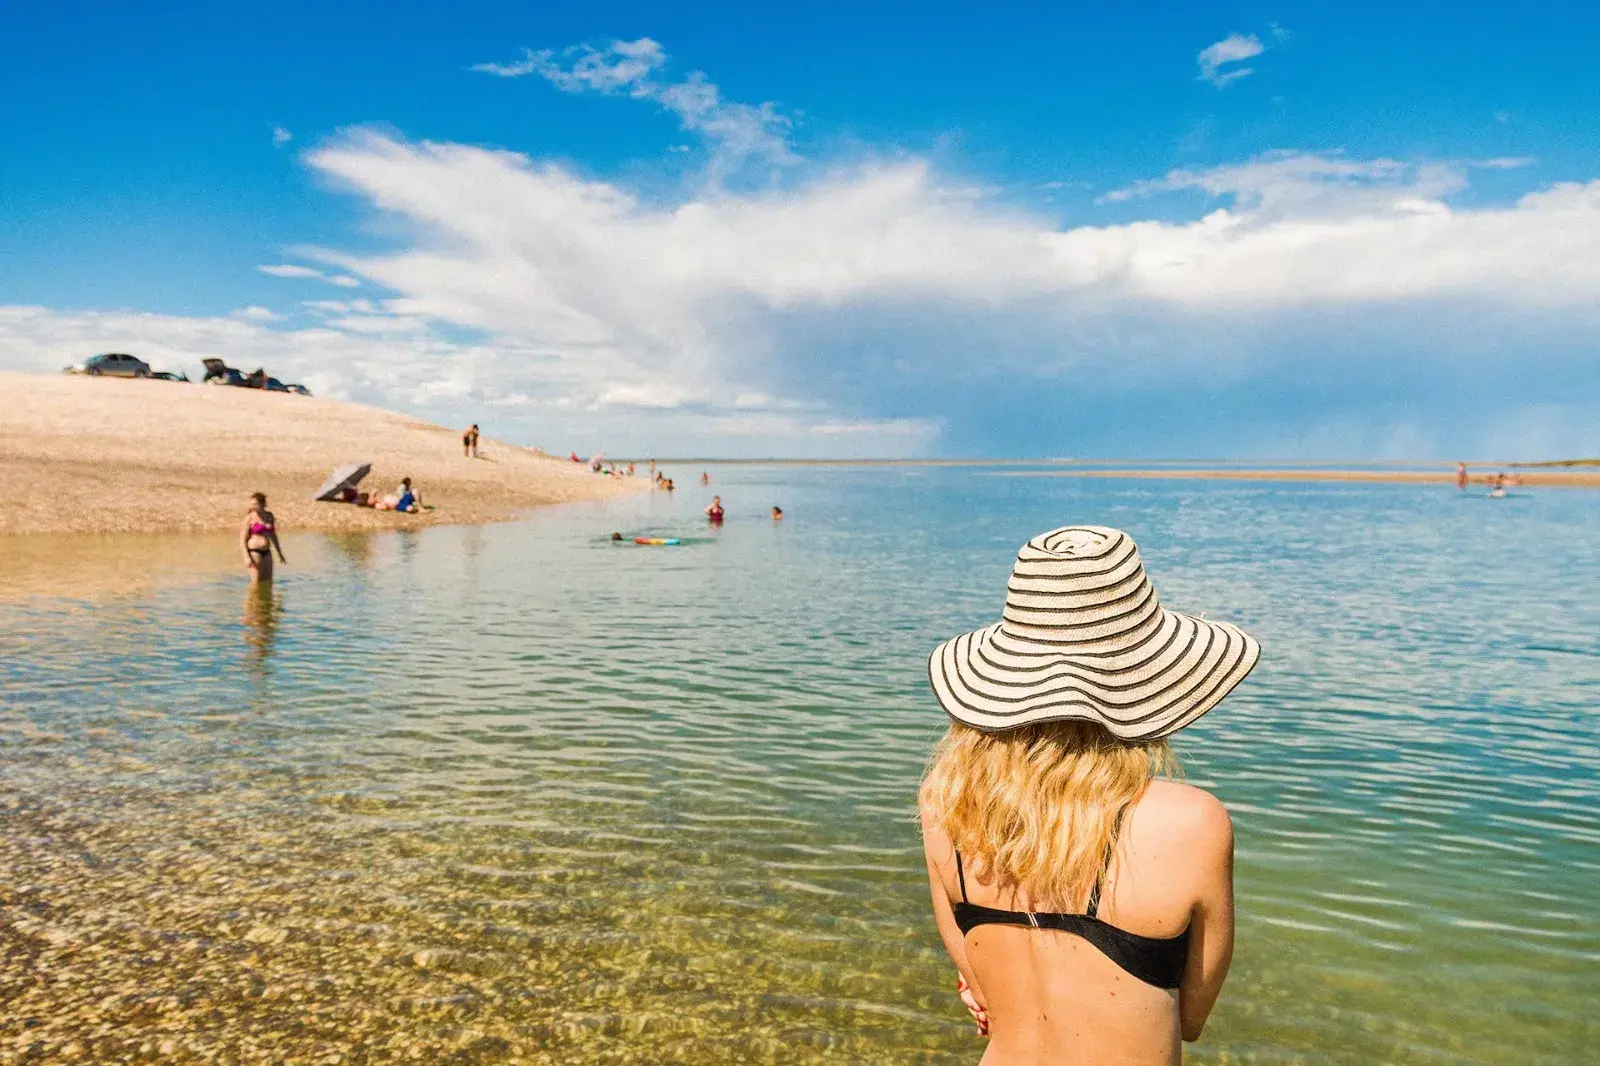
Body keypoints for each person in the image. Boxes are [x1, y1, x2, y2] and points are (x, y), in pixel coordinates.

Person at [919, 525, 1259, 1061]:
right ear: (1148, 676)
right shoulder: (1189, 824)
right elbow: (1191, 1017)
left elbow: (980, 990)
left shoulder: (948, 803)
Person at [240, 492, 287, 585]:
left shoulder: (269, 516)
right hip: (254, 552)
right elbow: (242, 541)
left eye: (255, 504)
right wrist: (246, 557)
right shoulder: (249, 518)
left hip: (267, 553)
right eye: (252, 504)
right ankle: (252, 600)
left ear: (262, 504)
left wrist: (280, 553)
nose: (253, 506)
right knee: (256, 584)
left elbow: (273, 536)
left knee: (268, 583)